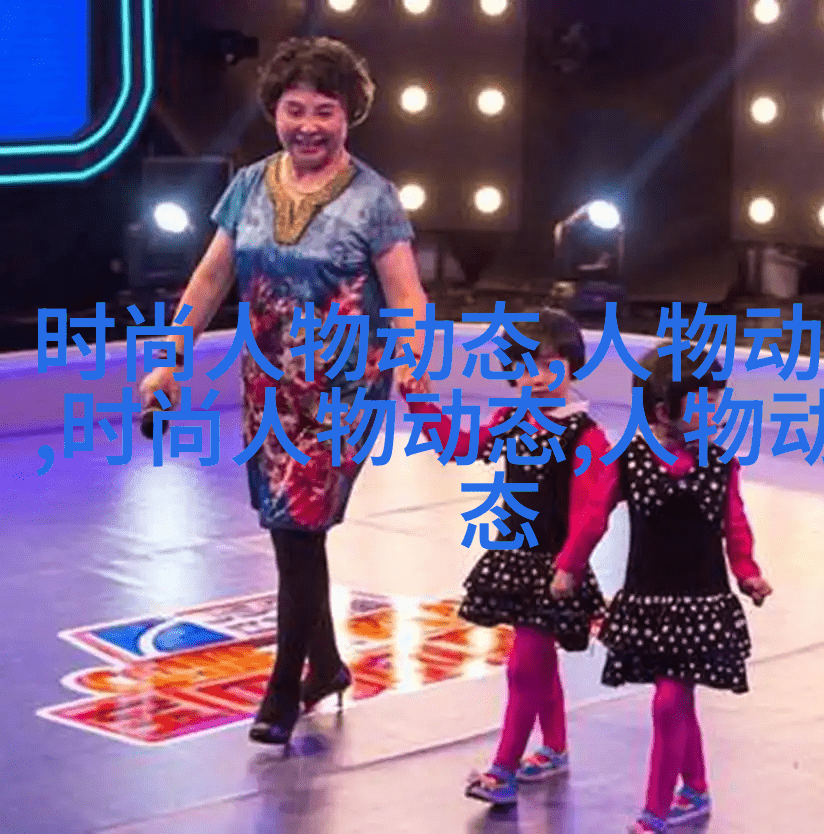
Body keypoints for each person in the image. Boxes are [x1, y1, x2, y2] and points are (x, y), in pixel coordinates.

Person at [138, 36, 428, 745]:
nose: (308, 126)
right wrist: (170, 360)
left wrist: (413, 357)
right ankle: (325, 664)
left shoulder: (374, 199)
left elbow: (406, 295)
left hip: (342, 390)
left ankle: (282, 689)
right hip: (267, 386)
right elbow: (212, 278)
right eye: (294, 110)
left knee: (299, 525)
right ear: (275, 111)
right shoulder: (248, 186)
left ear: (348, 115)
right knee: (289, 533)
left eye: (324, 111)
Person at [403, 308, 613, 806]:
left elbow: (593, 514)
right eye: (526, 366)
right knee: (537, 662)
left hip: (555, 569)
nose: (536, 378)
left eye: (549, 365)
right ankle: (554, 748)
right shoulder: (511, 421)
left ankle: (502, 770)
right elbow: (458, 446)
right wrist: (419, 401)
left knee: (523, 667)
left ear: (572, 365)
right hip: (515, 562)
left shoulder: (586, 437)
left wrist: (569, 566)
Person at [583, 346, 773, 831]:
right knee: (677, 700)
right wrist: (568, 566)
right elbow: (594, 516)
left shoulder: (719, 463)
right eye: (704, 400)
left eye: (717, 399)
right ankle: (696, 788)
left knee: (670, 701)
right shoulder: (629, 462)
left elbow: (734, 523)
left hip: (700, 606)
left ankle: (657, 810)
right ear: (663, 412)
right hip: (648, 604)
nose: (716, 410)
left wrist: (747, 571)